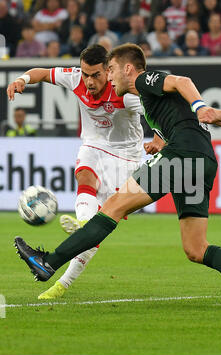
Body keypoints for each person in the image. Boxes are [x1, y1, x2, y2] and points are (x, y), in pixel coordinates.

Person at [14, 43, 221, 308]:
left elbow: (183, 82)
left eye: (111, 69)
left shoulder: (145, 81)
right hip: (203, 163)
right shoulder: (145, 100)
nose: (109, 76)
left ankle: (47, 263)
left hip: (179, 158)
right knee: (196, 248)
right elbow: (217, 116)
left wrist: (198, 105)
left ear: (128, 69)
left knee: (111, 208)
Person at [8, 44, 147, 300]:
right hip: (93, 145)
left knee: (100, 227)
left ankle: (62, 283)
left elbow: (155, 110)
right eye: (86, 74)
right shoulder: (75, 78)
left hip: (125, 158)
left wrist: (160, 137)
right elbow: (41, 72)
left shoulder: (125, 93)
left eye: (96, 75)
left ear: (108, 70)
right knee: (84, 176)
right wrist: (22, 79)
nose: (89, 81)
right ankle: (83, 225)